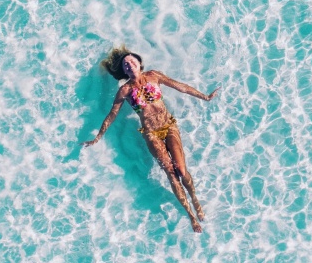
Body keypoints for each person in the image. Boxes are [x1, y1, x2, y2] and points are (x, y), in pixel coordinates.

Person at [81, 46, 220, 232]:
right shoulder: (125, 90)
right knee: (171, 173)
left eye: (131, 61)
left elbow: (181, 87)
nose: (129, 65)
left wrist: (205, 97)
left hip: (169, 126)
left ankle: (195, 199)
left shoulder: (154, 76)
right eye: (125, 64)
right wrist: (97, 137)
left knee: (181, 168)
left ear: (139, 62)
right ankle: (191, 216)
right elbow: (112, 114)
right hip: (151, 134)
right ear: (124, 71)